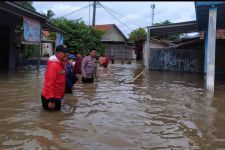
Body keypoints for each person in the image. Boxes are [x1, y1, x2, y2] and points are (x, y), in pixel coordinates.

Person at [41, 44, 68, 111]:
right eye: (64, 53)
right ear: (57, 53)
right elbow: (49, 83)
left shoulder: (61, 63)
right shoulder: (53, 65)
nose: (66, 54)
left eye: (66, 52)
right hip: (51, 97)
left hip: (57, 96)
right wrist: (51, 100)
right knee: (52, 119)